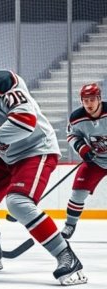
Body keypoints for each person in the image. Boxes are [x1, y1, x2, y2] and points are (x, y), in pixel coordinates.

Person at [0, 50, 87, 285]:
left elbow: (25, 123)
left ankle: (67, 257)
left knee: (18, 203)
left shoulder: (4, 82)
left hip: (36, 149)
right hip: (7, 154)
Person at [61, 83, 107, 239]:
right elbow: (72, 136)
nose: (89, 103)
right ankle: (69, 225)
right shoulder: (76, 118)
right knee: (78, 194)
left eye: (92, 99)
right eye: (85, 100)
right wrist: (82, 149)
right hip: (96, 161)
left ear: (99, 99)